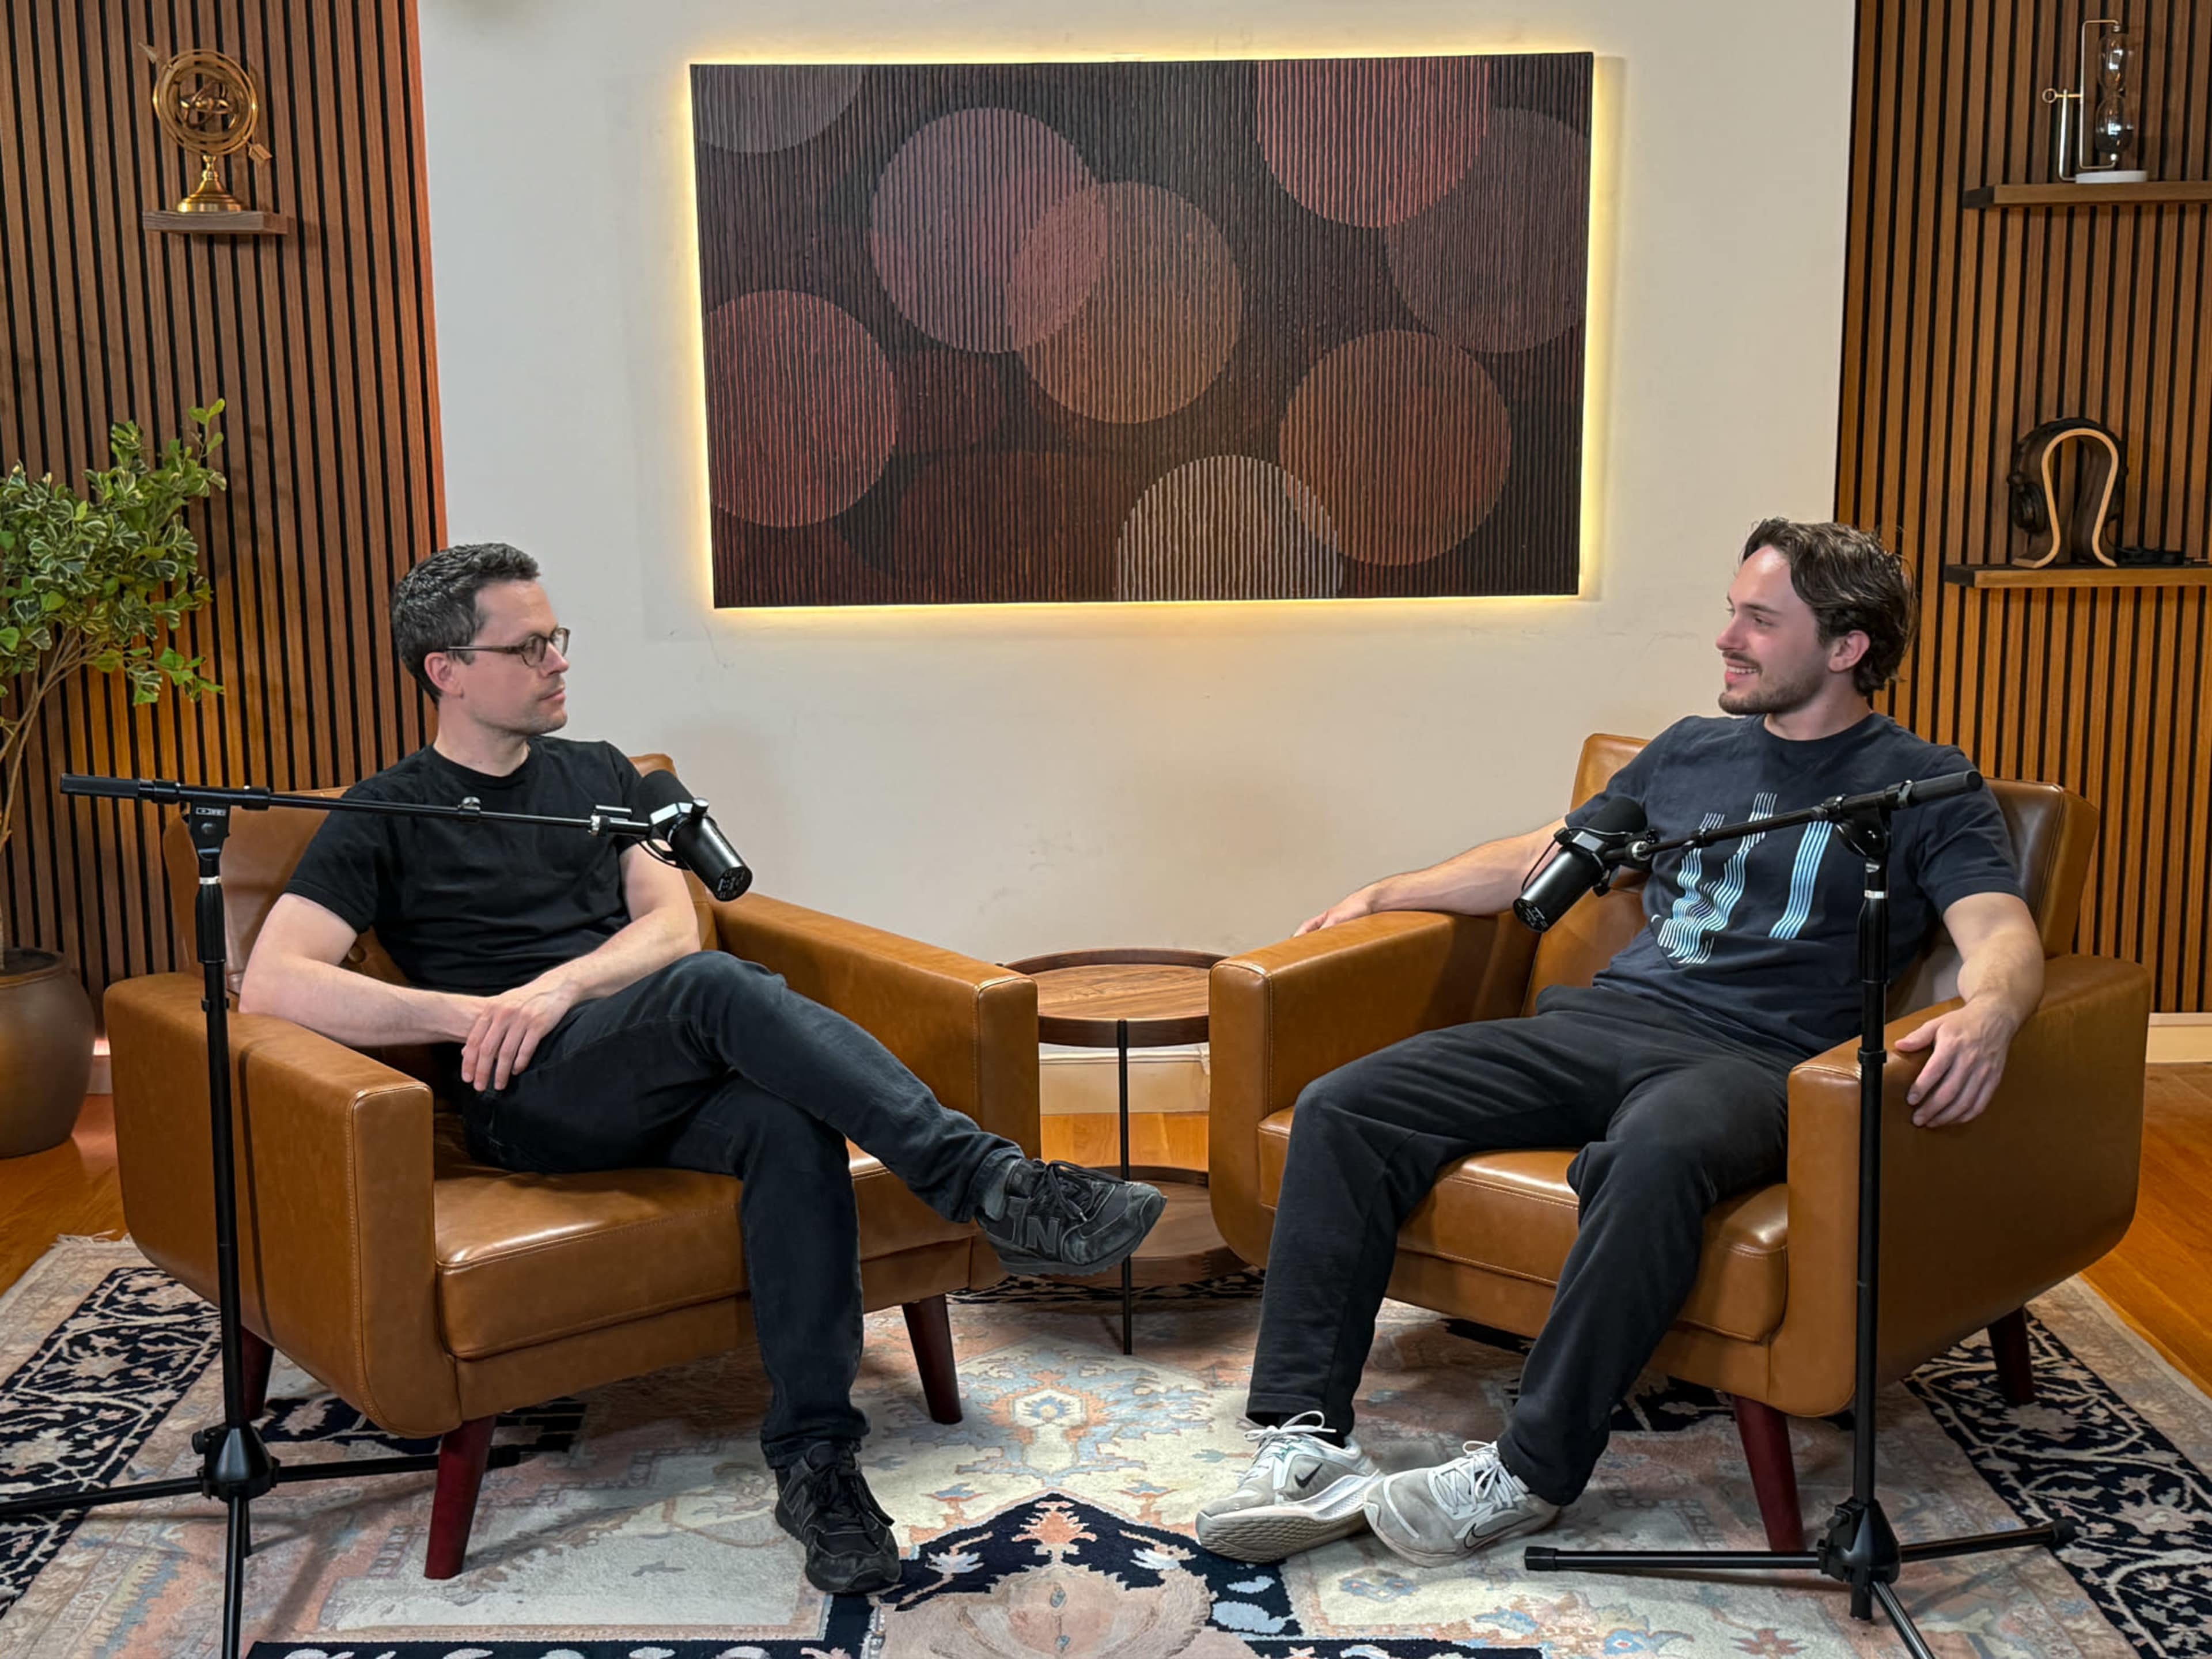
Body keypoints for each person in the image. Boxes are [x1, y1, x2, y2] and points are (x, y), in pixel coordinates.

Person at [238, 542, 1165, 1597]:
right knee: (727, 989)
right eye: (528, 645)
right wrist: (474, 1014)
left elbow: (674, 921)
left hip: (637, 1064)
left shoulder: (601, 776)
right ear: (445, 669)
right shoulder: (385, 812)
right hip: (531, 1100)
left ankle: (818, 1462)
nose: (556, 662)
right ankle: (990, 1183)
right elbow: (275, 982)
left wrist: (560, 987)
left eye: (558, 638)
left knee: (786, 1122)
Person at [1195, 520, 2044, 1569]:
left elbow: (1998, 928)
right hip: (1602, 1026)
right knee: (1346, 1105)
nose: (1727, 637)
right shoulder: (1690, 748)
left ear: (1846, 647)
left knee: (1658, 1155)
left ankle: (1528, 1474)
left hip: (1754, 1062)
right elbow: (1548, 855)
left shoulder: (1922, 786)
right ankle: (1305, 1438)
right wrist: (1390, 890)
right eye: (1732, 610)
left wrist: (1994, 1009)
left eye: (1759, 620)